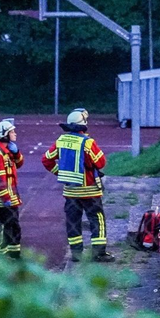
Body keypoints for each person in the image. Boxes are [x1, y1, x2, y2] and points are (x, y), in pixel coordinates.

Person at [42, 108, 115, 263]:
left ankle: (76, 254)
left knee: (73, 221)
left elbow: (46, 160)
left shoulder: (60, 141)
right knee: (97, 219)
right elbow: (101, 162)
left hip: (70, 191)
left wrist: (60, 172)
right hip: (90, 190)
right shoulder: (87, 142)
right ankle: (99, 253)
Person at [0, 118, 25, 259]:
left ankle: (14, 255)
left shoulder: (7, 151)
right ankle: (0, 258)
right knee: (2, 229)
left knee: (14, 227)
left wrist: (16, 153)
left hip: (11, 197)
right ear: (4, 134)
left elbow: (19, 163)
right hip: (3, 200)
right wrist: (5, 198)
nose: (15, 134)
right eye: (12, 132)